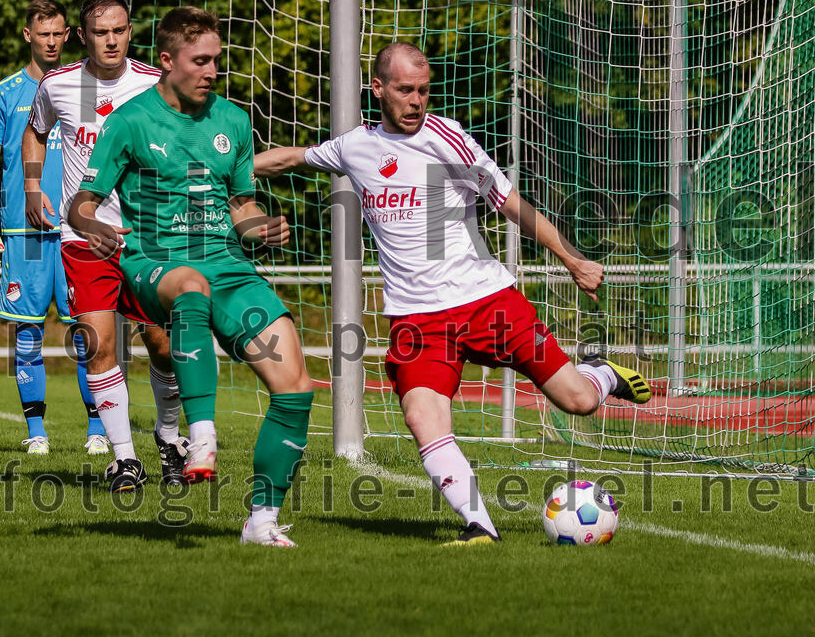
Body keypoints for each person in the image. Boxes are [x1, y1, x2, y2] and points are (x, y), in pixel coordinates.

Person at [253, 41, 652, 545]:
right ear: (378, 89)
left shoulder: (448, 138)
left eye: (423, 90)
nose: (417, 101)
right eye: (405, 90)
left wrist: (571, 259)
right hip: (416, 320)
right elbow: (292, 158)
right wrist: (222, 173)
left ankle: (602, 375)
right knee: (423, 417)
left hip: (485, 301)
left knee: (576, 402)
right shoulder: (354, 146)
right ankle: (480, 528)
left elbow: (509, 203)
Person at [69, 6, 313, 547]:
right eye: (200, 61)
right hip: (155, 264)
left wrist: (261, 228)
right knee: (191, 288)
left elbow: (241, 205)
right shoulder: (129, 121)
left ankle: (261, 522)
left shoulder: (233, 120)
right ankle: (198, 437)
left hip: (228, 266)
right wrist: (91, 226)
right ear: (166, 60)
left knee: (295, 387)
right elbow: (79, 203)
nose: (211, 71)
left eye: (216, 61)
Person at [24, 0, 187, 491]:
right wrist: (34, 185)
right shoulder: (57, 84)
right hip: (83, 238)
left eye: (118, 30)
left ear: (130, 30)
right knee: (98, 344)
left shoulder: (154, 85)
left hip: (147, 239)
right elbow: (35, 133)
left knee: (162, 344)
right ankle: (124, 458)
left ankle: (170, 436)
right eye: (100, 32)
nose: (110, 39)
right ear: (83, 35)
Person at [0, 0, 108, 456]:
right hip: (22, 233)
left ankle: (96, 430)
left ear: (69, 35)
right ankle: (36, 433)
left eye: (58, 33)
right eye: (43, 33)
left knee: (87, 330)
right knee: (27, 331)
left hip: (77, 228)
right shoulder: (3, 94)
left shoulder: (84, 89)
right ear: (28, 35)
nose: (51, 41)